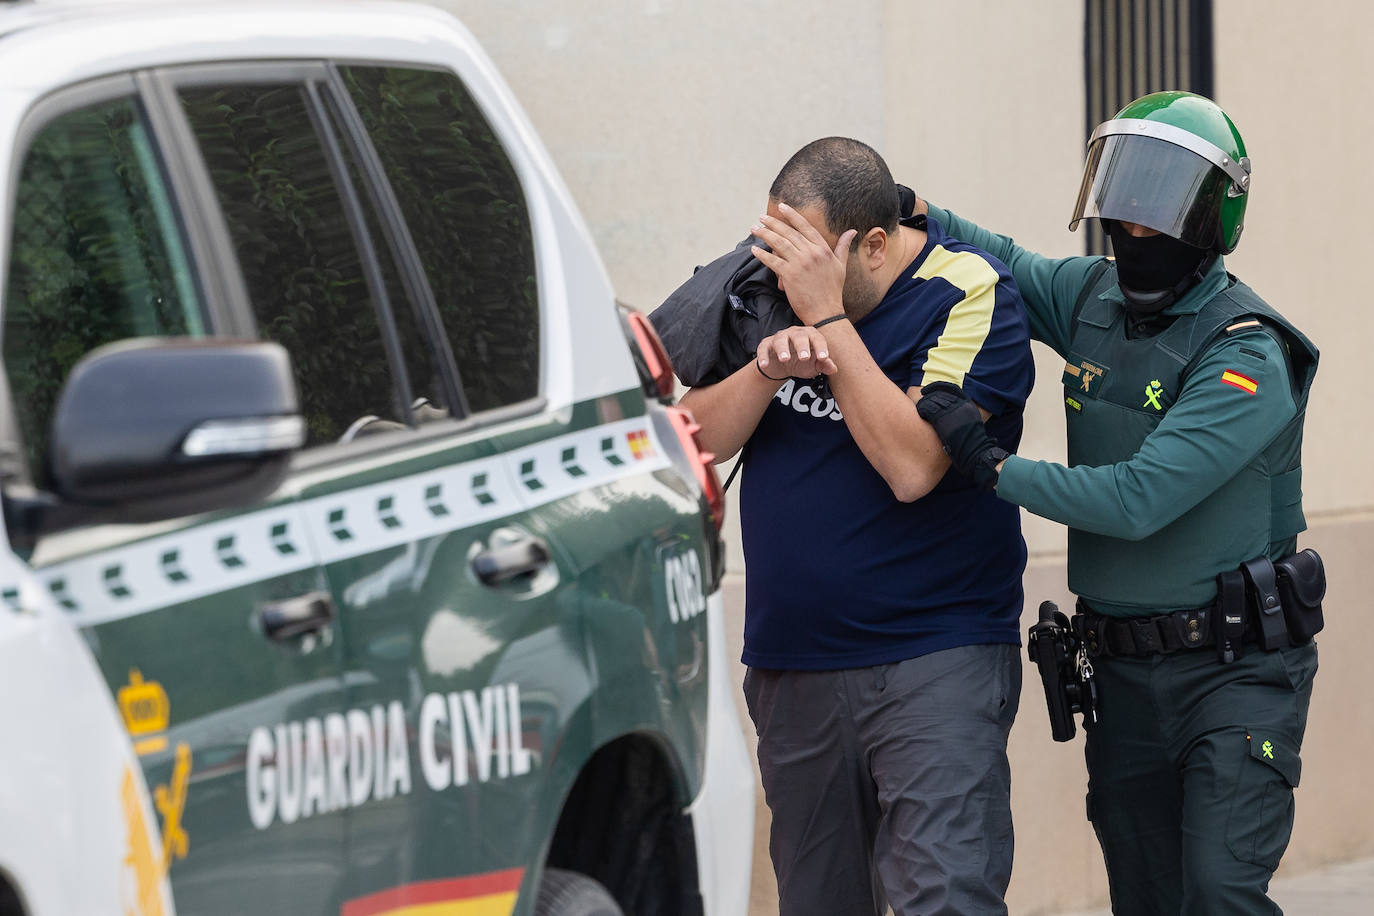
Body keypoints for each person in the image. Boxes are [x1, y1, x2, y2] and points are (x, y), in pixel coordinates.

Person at [911, 91, 1321, 915]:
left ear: (1212, 221)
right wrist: (918, 211)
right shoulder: (1092, 300)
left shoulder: (1246, 355)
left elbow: (1139, 501)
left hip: (1233, 675)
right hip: (1125, 673)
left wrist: (988, 464)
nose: (1135, 231)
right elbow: (1006, 262)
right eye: (1125, 210)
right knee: (1144, 898)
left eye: (1157, 214)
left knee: (1219, 892)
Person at [664, 137, 1034, 915]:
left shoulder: (966, 291)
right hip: (793, 663)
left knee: (945, 898)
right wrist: (765, 369)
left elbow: (914, 466)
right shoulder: (764, 287)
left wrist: (828, 321)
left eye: (808, 255)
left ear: (870, 244)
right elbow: (687, 443)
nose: (785, 270)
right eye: (777, 247)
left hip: (937, 655)